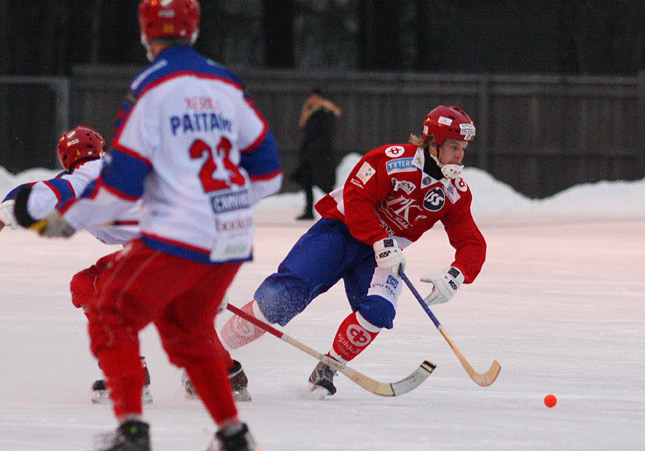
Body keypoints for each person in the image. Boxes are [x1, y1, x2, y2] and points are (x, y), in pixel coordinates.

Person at [15, 0, 282, 449]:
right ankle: (233, 434)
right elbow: (270, 172)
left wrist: (66, 221)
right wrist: (224, 206)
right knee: (188, 329)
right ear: (193, 32)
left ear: (146, 34)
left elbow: (120, 185)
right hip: (233, 235)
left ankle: (132, 431)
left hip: (179, 233)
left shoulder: (151, 87)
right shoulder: (226, 83)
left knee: (110, 313)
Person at [221, 105, 486, 398]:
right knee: (282, 298)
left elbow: (471, 242)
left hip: (384, 255)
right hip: (341, 233)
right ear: (433, 142)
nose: (460, 156)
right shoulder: (391, 160)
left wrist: (457, 275)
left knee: (379, 310)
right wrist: (378, 238)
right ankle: (215, 353)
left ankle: (329, 366)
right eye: (454, 147)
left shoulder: (455, 191)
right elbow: (356, 196)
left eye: (463, 148)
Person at [1, 125, 252, 405]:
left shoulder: (79, 179)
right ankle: (227, 375)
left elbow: (34, 196)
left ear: (65, 158)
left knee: (87, 285)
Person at [291, 88, 341, 220]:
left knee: (326, 186)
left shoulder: (326, 113)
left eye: (315, 97)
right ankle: (309, 211)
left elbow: (326, 136)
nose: (312, 100)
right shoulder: (309, 113)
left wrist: (314, 148)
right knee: (307, 182)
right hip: (310, 156)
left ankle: (337, 210)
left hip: (322, 156)